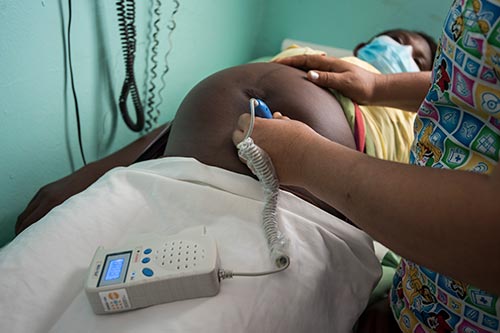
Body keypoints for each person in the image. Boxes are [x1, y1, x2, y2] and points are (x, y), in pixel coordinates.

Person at [233, 2, 500, 333]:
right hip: (413, 302)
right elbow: (474, 82)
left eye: (419, 58)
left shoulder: (401, 127)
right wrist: (380, 86)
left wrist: (306, 158)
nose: (403, 50)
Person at [15, 29, 436, 235]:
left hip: (316, 184)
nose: (401, 52)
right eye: (397, 39)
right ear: (365, 45)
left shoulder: (427, 114)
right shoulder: (330, 61)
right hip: (188, 152)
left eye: (419, 59)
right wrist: (89, 176)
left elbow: (401, 198)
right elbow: (171, 127)